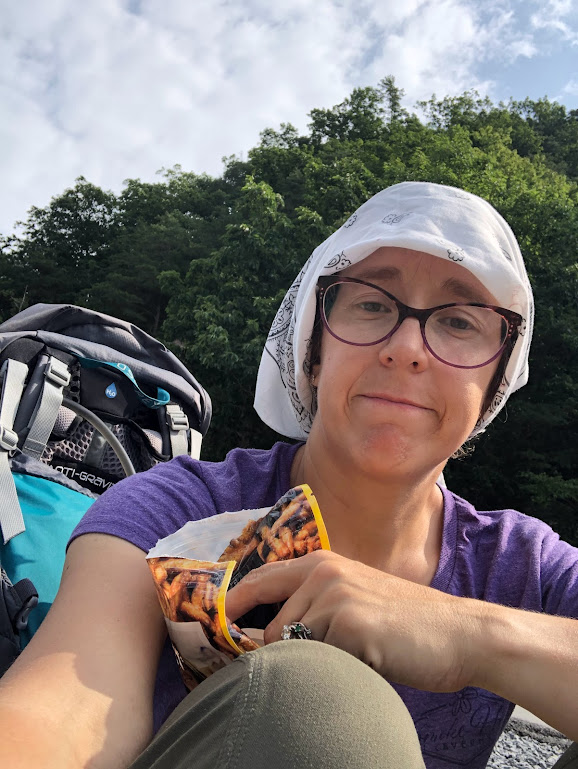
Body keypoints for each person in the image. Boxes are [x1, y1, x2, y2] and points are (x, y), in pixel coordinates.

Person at [0, 182, 577, 769]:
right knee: (311, 695)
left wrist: (467, 638)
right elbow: (67, 708)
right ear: (313, 351)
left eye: (459, 322)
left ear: (494, 384)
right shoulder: (173, 508)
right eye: (372, 305)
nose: (407, 348)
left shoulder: (524, 564)